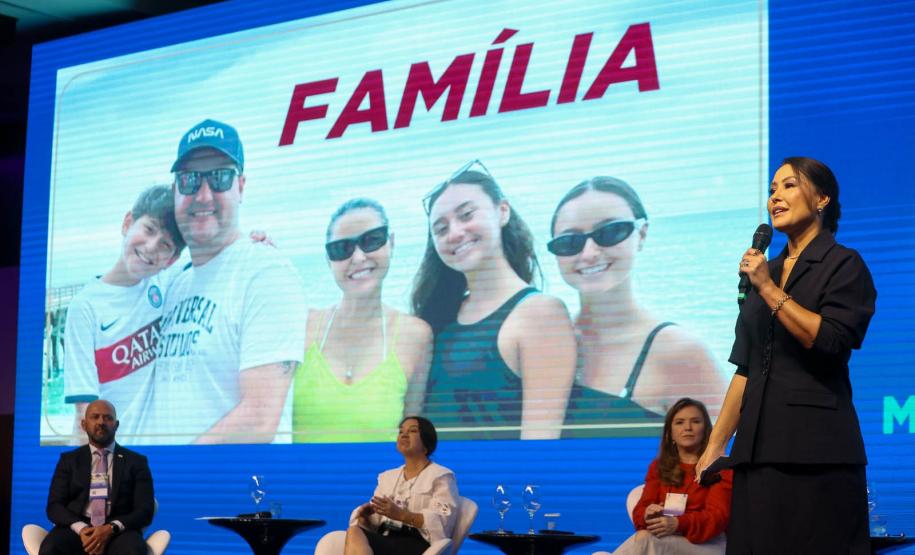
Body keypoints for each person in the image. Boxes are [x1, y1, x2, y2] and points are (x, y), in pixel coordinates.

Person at [695, 157, 876, 554]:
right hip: (757, 454)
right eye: (772, 189)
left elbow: (829, 339)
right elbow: (745, 368)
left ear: (822, 198)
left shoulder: (843, 265)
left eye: (789, 185)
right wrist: (715, 445)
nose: (775, 196)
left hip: (816, 454)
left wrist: (769, 289)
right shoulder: (767, 272)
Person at [153, 119, 307, 444]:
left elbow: (260, 418)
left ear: (241, 186)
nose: (204, 195)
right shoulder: (173, 284)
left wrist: (169, 474)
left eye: (220, 178)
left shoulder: (266, 272)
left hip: (232, 488)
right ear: (175, 191)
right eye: (190, 180)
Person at [548, 177, 727, 435]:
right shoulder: (546, 343)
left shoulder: (680, 353)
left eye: (610, 232)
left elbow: (726, 464)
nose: (588, 253)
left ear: (641, 234)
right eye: (569, 242)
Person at [412, 160, 576, 440]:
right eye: (440, 229)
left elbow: (538, 448)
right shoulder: (439, 317)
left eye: (466, 215)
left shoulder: (540, 313)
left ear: (502, 211)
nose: (454, 233)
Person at [292, 199, 432, 442]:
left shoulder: (415, 337)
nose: (357, 257)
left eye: (371, 240)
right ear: (328, 261)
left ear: (392, 243)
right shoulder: (303, 325)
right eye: (341, 249)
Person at [63, 186, 185, 445]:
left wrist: (255, 242)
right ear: (128, 223)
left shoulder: (166, 284)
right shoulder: (85, 307)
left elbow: (216, 258)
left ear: (171, 260)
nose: (152, 247)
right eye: (149, 229)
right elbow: (85, 414)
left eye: (165, 244)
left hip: (160, 454)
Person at [607, 398, 730, 555]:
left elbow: (717, 518)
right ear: (670, 433)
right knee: (645, 536)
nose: (687, 428)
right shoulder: (659, 467)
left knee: (647, 541)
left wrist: (678, 523)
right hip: (665, 539)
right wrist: (648, 514)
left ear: (706, 430)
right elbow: (641, 510)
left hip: (708, 545)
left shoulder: (721, 468)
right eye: (679, 422)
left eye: (695, 421)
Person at [40, 400, 154, 555]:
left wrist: (111, 528)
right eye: (95, 417)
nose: (101, 422)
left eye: (108, 418)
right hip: (77, 529)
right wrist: (82, 529)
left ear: (117, 425)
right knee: (51, 548)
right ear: (83, 424)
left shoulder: (136, 462)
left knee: (132, 550)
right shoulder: (69, 460)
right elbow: (54, 506)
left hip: (118, 531)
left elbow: (145, 510)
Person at [345, 416, 459, 555]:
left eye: (412, 431)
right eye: (401, 431)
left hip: (416, 544)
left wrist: (402, 515)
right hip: (385, 538)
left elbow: (444, 522)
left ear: (426, 442)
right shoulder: (387, 477)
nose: (404, 434)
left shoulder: (441, 476)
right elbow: (377, 522)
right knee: (354, 531)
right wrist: (366, 518)